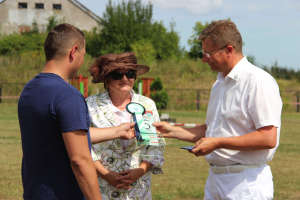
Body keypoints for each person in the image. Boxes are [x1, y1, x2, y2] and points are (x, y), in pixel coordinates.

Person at [154, 19, 282, 200]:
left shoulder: (258, 82)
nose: (203, 58)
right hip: (216, 180)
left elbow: (268, 137)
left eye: (208, 53)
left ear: (229, 50)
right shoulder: (219, 83)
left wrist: (218, 143)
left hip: (246, 184)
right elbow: (211, 130)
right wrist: (172, 130)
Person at [18, 24, 133, 200]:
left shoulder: (29, 90)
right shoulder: (68, 95)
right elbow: (80, 159)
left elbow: (60, 134)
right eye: (83, 55)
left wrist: (117, 131)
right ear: (74, 52)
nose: (82, 61)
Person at [87, 52, 165, 200]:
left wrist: (141, 170)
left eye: (130, 74)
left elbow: (156, 145)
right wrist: (106, 175)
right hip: (101, 188)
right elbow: (82, 145)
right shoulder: (90, 105)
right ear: (106, 79)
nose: (124, 79)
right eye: (117, 75)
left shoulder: (147, 104)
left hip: (139, 190)